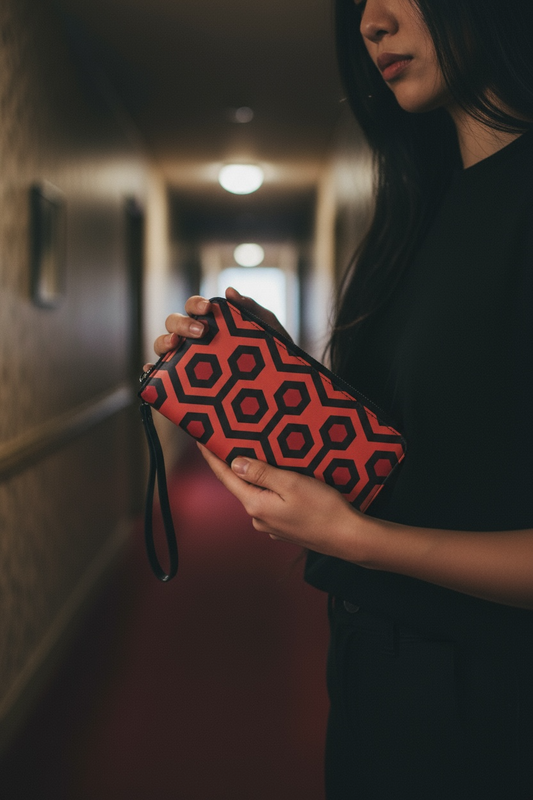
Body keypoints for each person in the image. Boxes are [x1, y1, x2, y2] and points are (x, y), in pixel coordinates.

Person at [150, 0, 533, 796]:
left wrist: (358, 538)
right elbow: (434, 438)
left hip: (494, 706)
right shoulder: (416, 210)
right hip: (375, 680)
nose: (370, 22)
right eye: (356, 0)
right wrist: (279, 366)